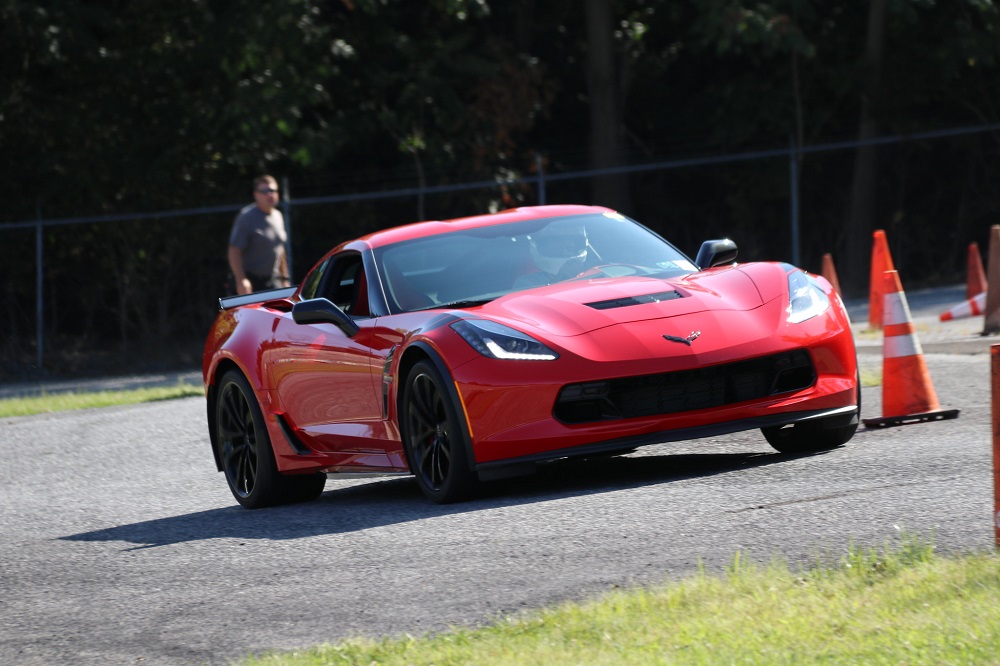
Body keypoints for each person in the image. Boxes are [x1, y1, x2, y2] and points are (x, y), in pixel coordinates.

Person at [227, 175, 291, 294]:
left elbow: (280, 249)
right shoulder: (246, 217)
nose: (269, 194)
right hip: (250, 283)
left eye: (272, 190)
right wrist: (241, 280)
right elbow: (234, 251)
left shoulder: (278, 216)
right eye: (264, 191)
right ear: (255, 194)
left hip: (272, 281)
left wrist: (284, 278)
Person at [514, 220, 591, 289]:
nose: (565, 251)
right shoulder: (527, 283)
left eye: (569, 247)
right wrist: (561, 277)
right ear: (543, 246)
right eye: (559, 247)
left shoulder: (594, 271)